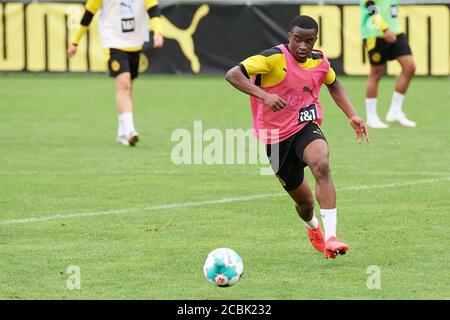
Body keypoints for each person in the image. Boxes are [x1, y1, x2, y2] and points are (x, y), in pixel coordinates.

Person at [226, 15, 369, 259]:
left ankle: (332, 237)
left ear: (315, 40)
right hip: (274, 140)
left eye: (309, 41)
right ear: (289, 37)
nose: (303, 46)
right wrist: (264, 95)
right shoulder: (271, 58)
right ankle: (313, 228)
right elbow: (233, 75)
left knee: (321, 164)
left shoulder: (320, 61)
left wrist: (352, 115)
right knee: (305, 205)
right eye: (298, 40)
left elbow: (333, 84)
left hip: (305, 127)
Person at [68, 0, 165, 146]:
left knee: (128, 87)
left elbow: (153, 10)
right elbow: (88, 14)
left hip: (134, 44)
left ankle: (121, 133)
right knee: (124, 83)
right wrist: (75, 42)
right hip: (113, 42)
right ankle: (130, 130)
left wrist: (157, 32)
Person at [361, 0, 416, 128]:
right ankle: (372, 116)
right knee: (376, 72)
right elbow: (370, 7)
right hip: (375, 32)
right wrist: (384, 28)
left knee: (410, 67)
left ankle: (395, 111)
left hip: (396, 31)